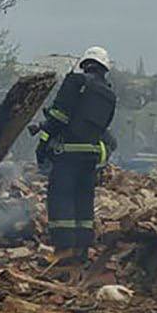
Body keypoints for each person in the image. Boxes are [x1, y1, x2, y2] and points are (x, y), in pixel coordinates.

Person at [36, 46, 118, 265]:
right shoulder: (109, 95)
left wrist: (43, 141)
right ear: (104, 68)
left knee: (61, 197)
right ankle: (81, 249)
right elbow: (103, 127)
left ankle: (63, 249)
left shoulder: (76, 82)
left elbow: (59, 115)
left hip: (68, 154)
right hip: (90, 157)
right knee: (83, 199)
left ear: (85, 64)